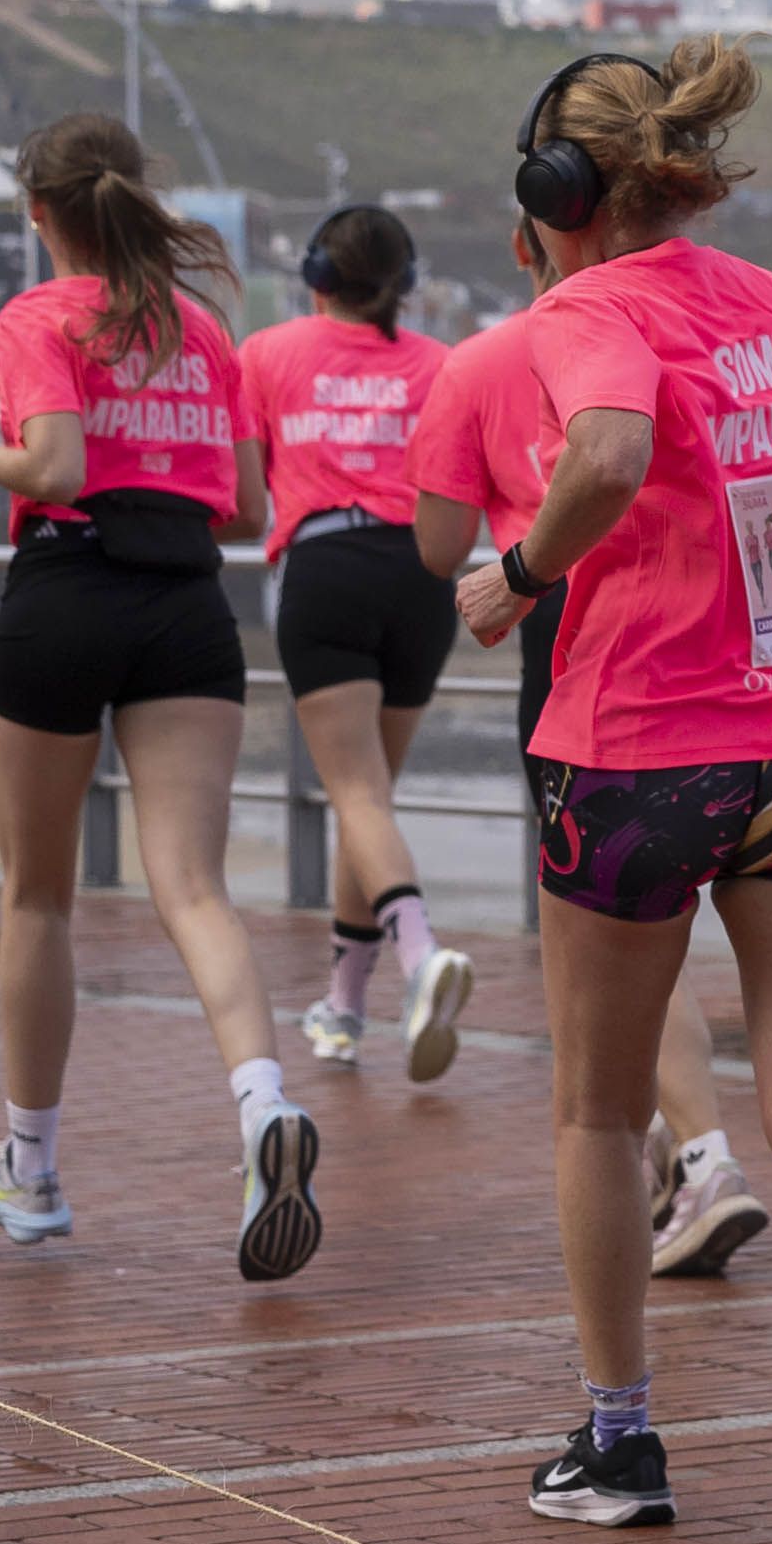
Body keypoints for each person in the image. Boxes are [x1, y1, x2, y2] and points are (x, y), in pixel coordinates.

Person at [455, 40, 772, 1528]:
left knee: (599, 1112)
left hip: (638, 749)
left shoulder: (585, 307)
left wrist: (519, 575)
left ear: (556, 190)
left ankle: (618, 1440)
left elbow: (606, 451)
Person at [0, 112, 321, 1282]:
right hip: (185, 605)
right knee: (195, 888)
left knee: (43, 900)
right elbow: (251, 510)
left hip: (66, 586)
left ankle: (31, 1168)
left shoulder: (37, 317)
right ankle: (263, 1110)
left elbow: (50, 466)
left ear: (39, 212)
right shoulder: (203, 329)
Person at [411, 207, 772, 1282]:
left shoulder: (477, 365)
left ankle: (698, 1157)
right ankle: (688, 1149)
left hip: (571, 657)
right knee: (664, 943)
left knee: (616, 950)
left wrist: (504, 542)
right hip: (726, 652)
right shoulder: (683, 328)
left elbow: (437, 546)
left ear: (525, 240)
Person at [240, 206, 474, 1082]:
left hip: (325, 567)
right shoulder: (443, 365)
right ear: (405, 285)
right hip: (420, 576)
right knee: (367, 797)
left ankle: (419, 958)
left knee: (357, 796)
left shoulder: (265, 353)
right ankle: (342, 1009)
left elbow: (246, 503)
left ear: (315, 275)